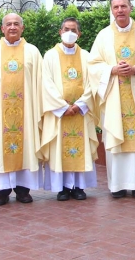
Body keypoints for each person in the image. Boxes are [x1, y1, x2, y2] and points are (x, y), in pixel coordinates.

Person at [87, 0, 135, 198]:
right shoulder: (103, 36)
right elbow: (93, 65)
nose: (120, 10)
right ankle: (118, 185)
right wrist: (112, 70)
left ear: (130, 7)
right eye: (116, 7)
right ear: (111, 10)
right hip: (113, 96)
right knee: (116, 137)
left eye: (123, 6)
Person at [0, 13, 44, 206]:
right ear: (2, 29)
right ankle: (2, 192)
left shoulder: (32, 52)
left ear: (22, 28)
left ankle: (23, 190)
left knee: (26, 147)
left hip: (26, 114)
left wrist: (40, 111)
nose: (12, 27)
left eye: (16, 24)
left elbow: (40, 84)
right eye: (8, 24)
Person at [40, 18, 98, 201]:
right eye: (66, 29)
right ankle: (62, 188)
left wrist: (80, 104)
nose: (70, 32)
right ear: (60, 31)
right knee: (59, 148)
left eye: (73, 29)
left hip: (80, 112)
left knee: (80, 146)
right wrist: (62, 106)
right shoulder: (49, 56)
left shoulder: (87, 56)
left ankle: (79, 187)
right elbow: (45, 84)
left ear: (79, 34)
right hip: (60, 113)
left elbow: (92, 84)